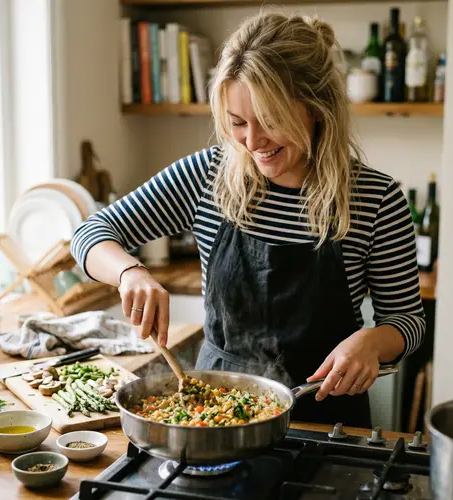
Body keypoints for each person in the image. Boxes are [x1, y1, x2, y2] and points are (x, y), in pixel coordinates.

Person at [71, 13, 425, 428]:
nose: (253, 143)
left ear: (316, 107)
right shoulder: (206, 177)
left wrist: (371, 342)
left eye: (271, 122)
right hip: (215, 418)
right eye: (238, 123)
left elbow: (407, 321)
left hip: (326, 417)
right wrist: (129, 272)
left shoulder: (375, 198)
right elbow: (90, 232)